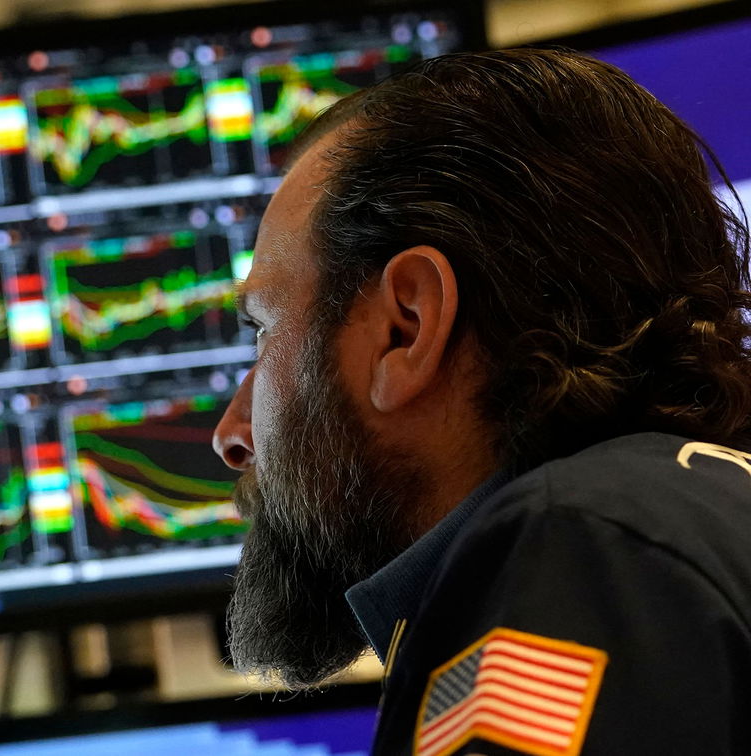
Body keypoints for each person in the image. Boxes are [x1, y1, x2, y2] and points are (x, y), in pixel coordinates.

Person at [213, 47, 751, 755]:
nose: (230, 433)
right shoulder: (679, 516)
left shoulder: (576, 552)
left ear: (407, 325)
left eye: (265, 331)